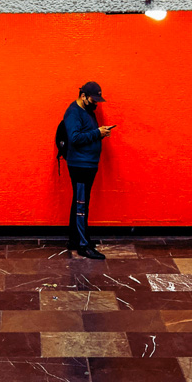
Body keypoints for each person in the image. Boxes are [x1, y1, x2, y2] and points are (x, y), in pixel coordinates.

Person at [63, 82, 113, 259]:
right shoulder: (73, 112)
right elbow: (75, 138)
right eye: (93, 99)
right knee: (81, 205)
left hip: (88, 164)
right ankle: (83, 246)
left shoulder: (87, 111)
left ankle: (75, 240)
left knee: (80, 202)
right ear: (83, 96)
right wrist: (97, 133)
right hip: (80, 165)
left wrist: (100, 133)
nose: (96, 103)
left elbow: (87, 134)